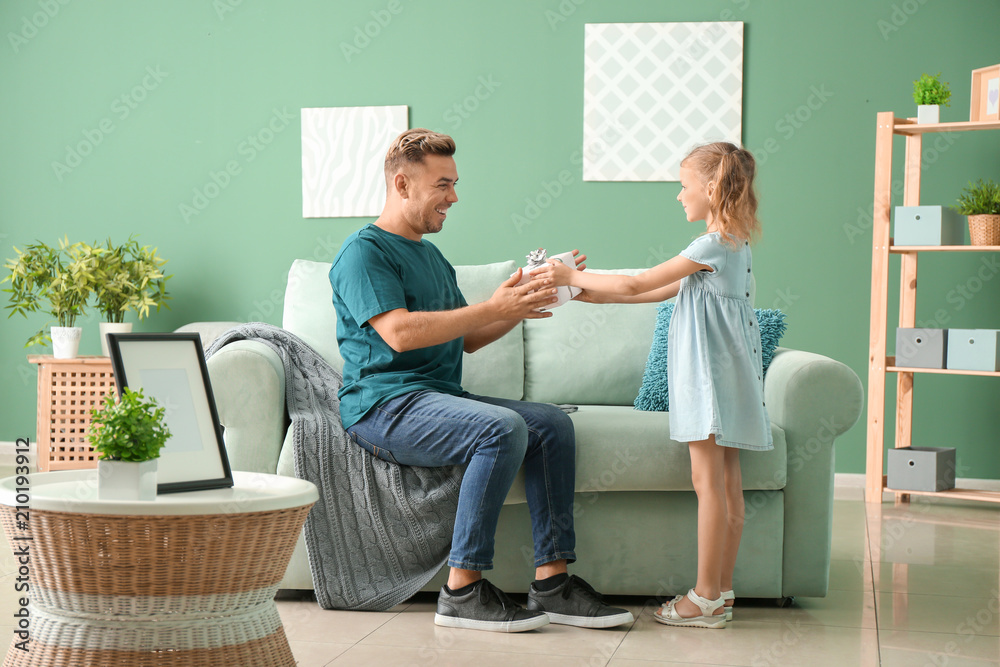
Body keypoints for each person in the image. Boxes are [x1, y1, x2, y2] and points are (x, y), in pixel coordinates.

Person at [328, 128, 634, 633]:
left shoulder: (430, 256)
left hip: (437, 398)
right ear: (402, 185)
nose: (453, 197)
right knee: (501, 428)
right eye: (442, 184)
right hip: (383, 406)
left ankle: (553, 583)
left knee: (551, 424)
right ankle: (462, 590)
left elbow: (465, 339)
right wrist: (491, 305)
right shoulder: (363, 253)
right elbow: (400, 334)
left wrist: (522, 304)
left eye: (454, 183)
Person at [536, 142, 770, 629]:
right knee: (728, 489)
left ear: (710, 189)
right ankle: (721, 593)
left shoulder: (709, 246)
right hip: (730, 385)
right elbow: (639, 295)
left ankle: (703, 597)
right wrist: (579, 294)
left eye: (683, 186)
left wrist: (569, 272)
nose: (678, 195)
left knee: (709, 488)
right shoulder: (733, 248)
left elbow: (636, 282)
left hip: (708, 386)